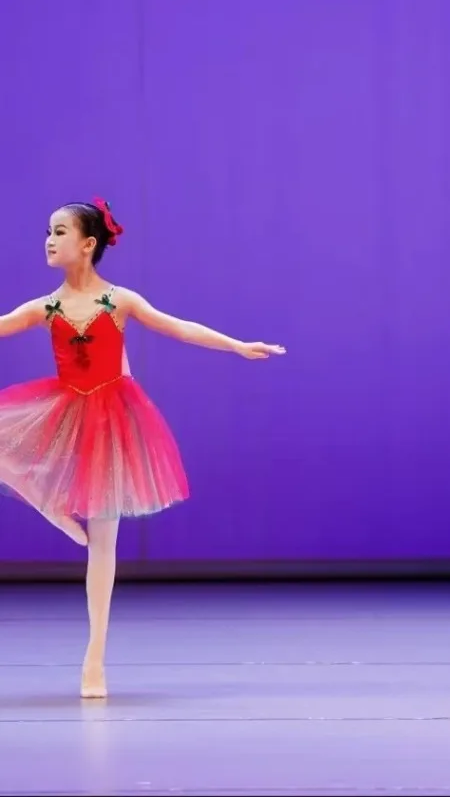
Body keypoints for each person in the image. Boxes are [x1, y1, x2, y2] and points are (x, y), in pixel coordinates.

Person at [0, 197, 286, 698]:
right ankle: (50, 504)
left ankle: (95, 658)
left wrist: (238, 345)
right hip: (63, 411)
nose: (49, 239)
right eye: (47, 230)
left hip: (113, 421)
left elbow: (180, 327)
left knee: (104, 545)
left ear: (88, 244)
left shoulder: (121, 301)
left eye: (60, 231)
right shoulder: (45, 308)